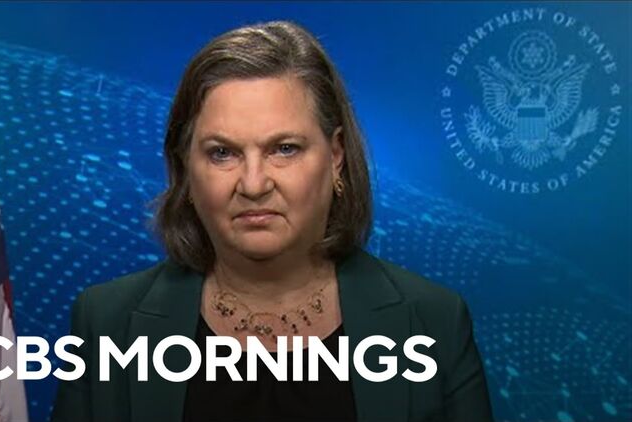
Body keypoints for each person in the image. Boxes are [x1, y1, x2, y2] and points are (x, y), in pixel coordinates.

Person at [51, 20, 494, 422]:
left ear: (335, 156)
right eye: (222, 153)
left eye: (284, 149)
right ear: (185, 167)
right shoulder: (107, 322)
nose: (254, 183)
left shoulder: (433, 321)